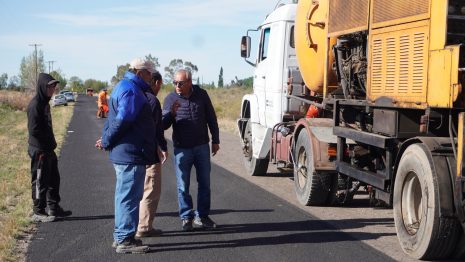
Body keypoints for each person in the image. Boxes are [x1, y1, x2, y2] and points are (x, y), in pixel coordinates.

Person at [95, 58, 157, 254]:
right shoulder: (132, 90)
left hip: (128, 153)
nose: (151, 77)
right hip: (130, 153)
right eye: (149, 73)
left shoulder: (123, 86)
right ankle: (124, 240)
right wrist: (106, 140)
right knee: (129, 197)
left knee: (125, 196)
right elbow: (122, 121)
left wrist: (106, 138)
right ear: (139, 73)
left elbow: (112, 120)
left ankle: (121, 236)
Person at [162, 69, 220, 231]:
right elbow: (162, 125)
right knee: (182, 186)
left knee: (205, 184)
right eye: (175, 83)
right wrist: (170, 114)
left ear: (190, 82)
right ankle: (186, 217)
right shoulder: (170, 98)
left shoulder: (201, 95)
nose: (177, 86)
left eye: (180, 83)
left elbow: (211, 118)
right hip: (182, 149)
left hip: (202, 147)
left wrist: (215, 140)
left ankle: (202, 216)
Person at [27, 73, 72, 223]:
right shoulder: (35, 105)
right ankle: (38, 211)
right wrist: (47, 143)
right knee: (40, 180)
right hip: (40, 150)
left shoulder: (45, 103)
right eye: (50, 86)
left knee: (54, 179)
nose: (53, 89)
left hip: (48, 150)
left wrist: (51, 143)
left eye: (54, 86)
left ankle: (53, 208)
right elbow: (34, 130)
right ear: (43, 87)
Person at [136, 71, 168, 238]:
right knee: (151, 190)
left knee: (136, 191)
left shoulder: (135, 96)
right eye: (160, 85)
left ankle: (134, 226)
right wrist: (163, 148)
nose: (159, 88)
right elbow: (157, 129)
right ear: (155, 82)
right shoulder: (152, 100)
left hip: (134, 153)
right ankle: (144, 227)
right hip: (149, 152)